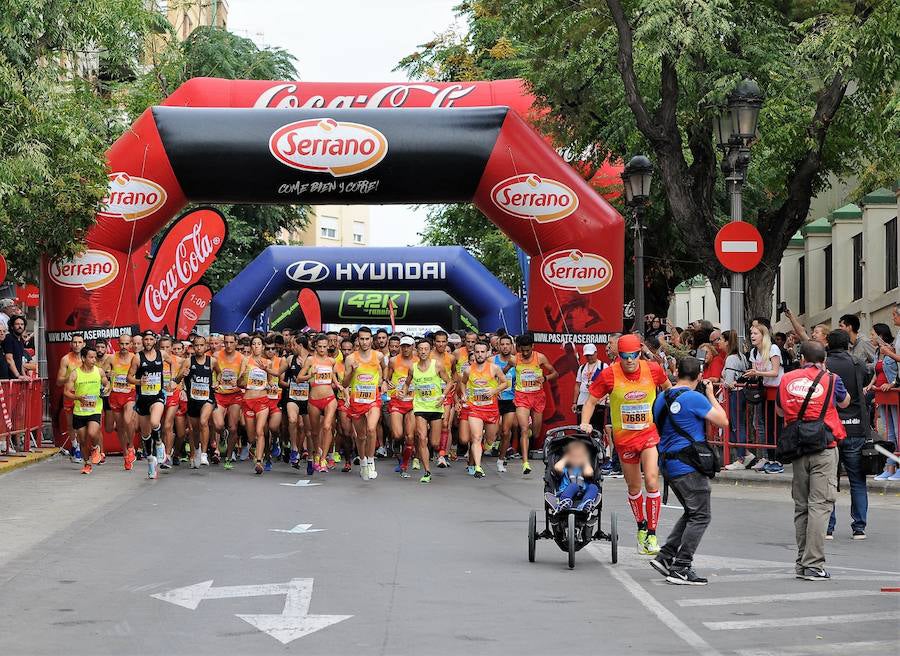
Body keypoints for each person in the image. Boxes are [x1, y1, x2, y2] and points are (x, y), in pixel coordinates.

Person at [580, 333, 671, 554]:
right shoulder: (609, 374)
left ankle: (651, 533)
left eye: (633, 355)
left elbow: (669, 391)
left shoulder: (653, 369)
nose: (629, 360)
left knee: (651, 481)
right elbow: (591, 400)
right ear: (618, 355)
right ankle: (641, 526)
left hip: (648, 434)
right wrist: (584, 423)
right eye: (624, 356)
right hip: (624, 439)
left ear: (639, 352)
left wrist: (673, 415)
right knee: (634, 486)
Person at [650, 357, 728, 585]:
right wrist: (711, 395)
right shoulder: (694, 397)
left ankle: (665, 556)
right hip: (688, 464)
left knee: (691, 512)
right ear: (700, 376)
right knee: (701, 516)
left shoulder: (661, 397)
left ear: (677, 373)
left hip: (668, 462)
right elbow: (722, 420)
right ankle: (682, 566)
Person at [777, 340, 849, 581]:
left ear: (801, 359)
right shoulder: (832, 379)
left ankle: (801, 561)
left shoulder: (787, 378)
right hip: (824, 446)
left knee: (801, 506)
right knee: (820, 504)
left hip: (797, 446)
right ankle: (813, 563)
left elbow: (779, 410)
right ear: (824, 360)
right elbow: (845, 402)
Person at [824, 329, 870, 540]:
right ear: (847, 344)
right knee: (858, 480)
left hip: (831, 428)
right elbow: (866, 380)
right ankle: (859, 527)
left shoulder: (824, 365)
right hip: (855, 426)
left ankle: (828, 526)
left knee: (829, 479)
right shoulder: (857, 363)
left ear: (828, 344)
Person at [405, 339, 454, 484]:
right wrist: (403, 392)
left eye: (426, 349)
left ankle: (433, 453)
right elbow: (407, 383)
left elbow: (450, 382)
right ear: (417, 351)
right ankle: (427, 471)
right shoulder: (413, 368)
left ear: (429, 350)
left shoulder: (437, 365)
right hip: (420, 407)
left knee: (434, 442)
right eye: (421, 349)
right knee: (421, 437)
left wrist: (443, 395)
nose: (423, 352)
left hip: (435, 407)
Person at [459, 341, 508, 478]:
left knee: (490, 440)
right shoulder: (468, 370)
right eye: (477, 352)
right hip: (475, 408)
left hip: (491, 409)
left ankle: (486, 447)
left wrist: (494, 390)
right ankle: (478, 467)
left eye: (482, 352)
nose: (480, 355)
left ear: (487, 353)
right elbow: (462, 383)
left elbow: (505, 383)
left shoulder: (494, 368)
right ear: (473, 353)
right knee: (476, 437)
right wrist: (463, 394)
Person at [127, 330, 171, 479]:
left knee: (155, 422)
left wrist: (174, 380)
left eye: (150, 339)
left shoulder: (162, 355)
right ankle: (151, 461)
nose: (148, 342)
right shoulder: (137, 358)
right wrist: (139, 381)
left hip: (157, 396)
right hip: (142, 399)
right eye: (145, 339)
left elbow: (175, 363)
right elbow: (129, 378)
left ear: (155, 341)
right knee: (145, 435)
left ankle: (159, 443)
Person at [342, 326, 384, 480]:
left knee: (372, 429)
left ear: (371, 340)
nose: (365, 342)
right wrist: (352, 371)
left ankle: (371, 461)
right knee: (361, 436)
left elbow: (385, 370)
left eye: (367, 339)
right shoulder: (351, 359)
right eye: (362, 339)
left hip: (373, 399)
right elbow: (345, 383)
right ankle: (364, 462)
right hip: (357, 400)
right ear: (357, 340)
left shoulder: (378, 356)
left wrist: (384, 381)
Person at [513, 332, 558, 476]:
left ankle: (531, 426)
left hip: (537, 396)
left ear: (533, 346)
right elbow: (502, 370)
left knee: (536, 432)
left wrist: (544, 378)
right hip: (521, 396)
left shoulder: (540, 357)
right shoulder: (515, 359)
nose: (525, 353)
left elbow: (555, 373)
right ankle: (525, 462)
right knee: (524, 429)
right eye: (522, 350)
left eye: (528, 350)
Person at [173, 334, 219, 468]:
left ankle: (204, 454)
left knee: (204, 421)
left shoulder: (212, 361)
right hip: (193, 399)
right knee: (195, 430)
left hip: (208, 398)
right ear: (193, 347)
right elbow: (177, 380)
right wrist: (182, 374)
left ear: (206, 347)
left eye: (201, 345)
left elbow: (219, 373)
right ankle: (197, 450)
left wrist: (217, 382)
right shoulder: (188, 361)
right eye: (196, 346)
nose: (199, 348)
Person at [64, 345, 110, 475]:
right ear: (83, 358)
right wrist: (77, 397)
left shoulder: (99, 371)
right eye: (91, 357)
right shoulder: (75, 373)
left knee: (92, 432)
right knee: (83, 440)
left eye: (95, 357)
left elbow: (106, 383)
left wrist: (106, 388)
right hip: (80, 411)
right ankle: (87, 463)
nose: (94, 360)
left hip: (95, 409)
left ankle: (96, 448)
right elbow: (66, 392)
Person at [746, 324, 785, 473]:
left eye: (755, 333)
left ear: (763, 335)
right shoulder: (754, 352)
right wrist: (752, 374)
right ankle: (769, 458)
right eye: (751, 333)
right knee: (766, 426)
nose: (752, 336)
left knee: (776, 426)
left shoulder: (773, 349)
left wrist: (757, 372)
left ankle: (778, 459)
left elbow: (775, 372)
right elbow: (757, 373)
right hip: (765, 391)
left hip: (777, 391)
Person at [298, 334, 338, 473]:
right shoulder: (310, 360)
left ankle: (323, 459)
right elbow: (298, 379)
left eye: (324, 347)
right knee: (315, 432)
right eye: (319, 346)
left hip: (330, 398)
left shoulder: (332, 361)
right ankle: (316, 454)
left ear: (328, 347)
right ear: (315, 346)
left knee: (327, 427)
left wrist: (339, 386)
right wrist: (310, 375)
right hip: (314, 400)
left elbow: (334, 378)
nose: (322, 349)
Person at [868, 323, 900, 480]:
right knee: (889, 431)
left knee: (898, 431)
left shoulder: (892, 349)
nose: (870, 337)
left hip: (893, 394)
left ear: (880, 336)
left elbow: (897, 371)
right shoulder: (877, 352)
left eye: (873, 334)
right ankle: (890, 466)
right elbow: (877, 371)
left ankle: (898, 466)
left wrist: (892, 384)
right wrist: (870, 386)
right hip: (882, 394)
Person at [720, 331, 753, 470]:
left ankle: (741, 458)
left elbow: (728, 381)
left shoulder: (731, 358)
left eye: (721, 339)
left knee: (736, 425)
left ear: (727, 341)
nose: (718, 342)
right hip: (741, 394)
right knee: (739, 424)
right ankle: (745, 453)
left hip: (735, 394)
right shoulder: (741, 357)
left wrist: (725, 382)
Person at [386, 336, 417, 477]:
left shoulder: (419, 361)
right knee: (398, 434)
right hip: (397, 401)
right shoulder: (393, 361)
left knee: (410, 437)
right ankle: (396, 446)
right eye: (403, 346)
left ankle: (404, 465)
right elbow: (386, 377)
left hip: (413, 402)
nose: (405, 349)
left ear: (413, 347)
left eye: (408, 346)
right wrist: (387, 382)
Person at [213, 333, 244, 465]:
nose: (229, 345)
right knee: (218, 425)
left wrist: (238, 381)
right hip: (219, 394)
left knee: (233, 428)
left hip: (235, 395)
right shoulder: (216, 356)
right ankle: (222, 436)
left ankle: (228, 457)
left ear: (236, 343)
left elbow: (243, 377)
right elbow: (211, 371)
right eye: (226, 342)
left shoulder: (242, 358)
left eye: (231, 342)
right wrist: (214, 382)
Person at [544, 440, 599, 513]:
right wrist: (566, 458)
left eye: (579, 456)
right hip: (566, 492)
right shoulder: (565, 468)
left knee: (593, 487)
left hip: (583, 493)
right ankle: (564, 502)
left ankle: (586, 503)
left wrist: (585, 461)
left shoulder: (584, 469)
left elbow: (589, 473)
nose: (576, 459)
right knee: (574, 486)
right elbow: (557, 468)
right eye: (573, 456)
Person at [107, 334, 136, 469]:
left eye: (126, 344)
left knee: (127, 419)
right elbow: (105, 373)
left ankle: (131, 447)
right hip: (115, 395)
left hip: (130, 393)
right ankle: (126, 454)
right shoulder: (112, 358)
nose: (124, 347)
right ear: (118, 344)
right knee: (119, 427)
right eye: (122, 344)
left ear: (130, 344)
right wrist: (108, 375)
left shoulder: (134, 358)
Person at [56, 333, 85, 458]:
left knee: (82, 423)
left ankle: (84, 447)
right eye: (75, 342)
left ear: (83, 344)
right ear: (71, 344)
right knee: (71, 424)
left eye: (79, 342)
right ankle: (75, 446)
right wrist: (71, 376)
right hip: (69, 394)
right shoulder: (66, 359)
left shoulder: (87, 358)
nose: (77, 345)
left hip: (84, 395)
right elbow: (58, 381)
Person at [492, 335, 517, 472]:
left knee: (506, 432)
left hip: (510, 400)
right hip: (495, 400)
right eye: (503, 344)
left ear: (512, 346)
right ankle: (488, 443)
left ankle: (501, 460)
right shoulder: (492, 360)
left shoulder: (517, 360)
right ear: (498, 346)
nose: (505, 347)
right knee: (495, 431)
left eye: (508, 344)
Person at [573, 343, 607, 431]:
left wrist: (603, 398)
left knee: (596, 428)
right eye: (587, 355)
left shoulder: (603, 366)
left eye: (591, 354)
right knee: (582, 428)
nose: (589, 357)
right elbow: (577, 384)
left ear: (596, 353)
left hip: (598, 402)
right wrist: (574, 402)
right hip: (582, 401)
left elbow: (608, 385)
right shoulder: (582, 368)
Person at [2, 316, 28, 380]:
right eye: (17, 324)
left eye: (22, 324)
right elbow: (9, 359)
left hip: (17, 378)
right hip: (8, 378)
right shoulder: (9, 338)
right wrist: (18, 375)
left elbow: (20, 361)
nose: (20, 326)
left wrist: (24, 376)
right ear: (12, 326)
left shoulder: (21, 340)